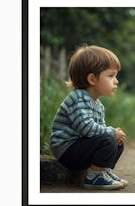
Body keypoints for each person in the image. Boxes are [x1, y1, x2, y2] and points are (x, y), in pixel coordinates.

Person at [50, 45, 128, 190]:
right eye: (111, 76)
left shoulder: (97, 104)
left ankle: (103, 172)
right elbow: (87, 128)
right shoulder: (79, 98)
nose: (116, 81)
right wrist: (111, 132)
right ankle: (94, 177)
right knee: (108, 138)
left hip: (80, 146)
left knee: (116, 142)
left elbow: (98, 130)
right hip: (67, 149)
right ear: (92, 78)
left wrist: (113, 135)